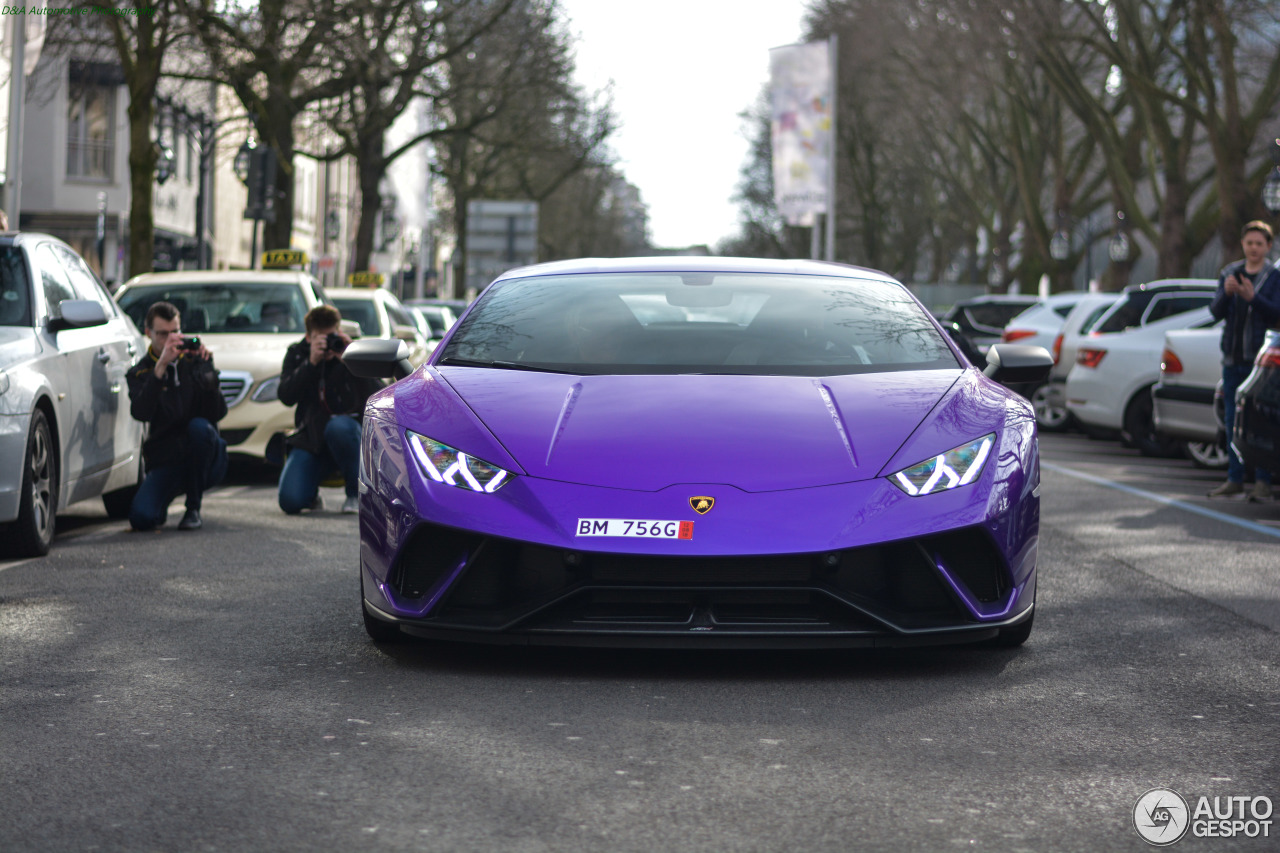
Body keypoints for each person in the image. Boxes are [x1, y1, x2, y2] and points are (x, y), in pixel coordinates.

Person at [127, 301, 228, 530]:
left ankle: (193, 508)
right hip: (167, 459)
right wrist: (160, 368)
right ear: (148, 333)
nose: (171, 340)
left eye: (176, 332)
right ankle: (163, 501)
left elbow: (218, 413)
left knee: (199, 428)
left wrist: (208, 373)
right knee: (142, 518)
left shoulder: (193, 361)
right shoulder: (141, 372)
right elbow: (140, 412)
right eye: (163, 334)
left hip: (204, 455)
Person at [277, 305, 382, 514]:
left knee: (339, 427)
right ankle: (310, 493)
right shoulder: (298, 354)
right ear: (308, 337)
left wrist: (353, 362)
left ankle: (355, 494)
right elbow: (286, 396)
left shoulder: (349, 353)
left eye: (331, 336)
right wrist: (311, 363)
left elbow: (380, 395)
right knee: (290, 501)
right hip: (311, 440)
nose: (327, 344)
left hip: (348, 437)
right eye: (320, 338)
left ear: (339, 331)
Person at [1207, 220, 1280, 501]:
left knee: (1259, 422)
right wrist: (1226, 295)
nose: (1253, 248)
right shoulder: (1230, 272)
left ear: (1268, 246)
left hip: (1260, 363)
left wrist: (1253, 298)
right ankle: (1234, 479)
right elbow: (1214, 312)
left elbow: (1275, 313)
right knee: (1230, 419)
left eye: (1259, 244)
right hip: (1232, 358)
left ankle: (1262, 483)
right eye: (1249, 243)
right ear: (1242, 244)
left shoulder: (1273, 277)